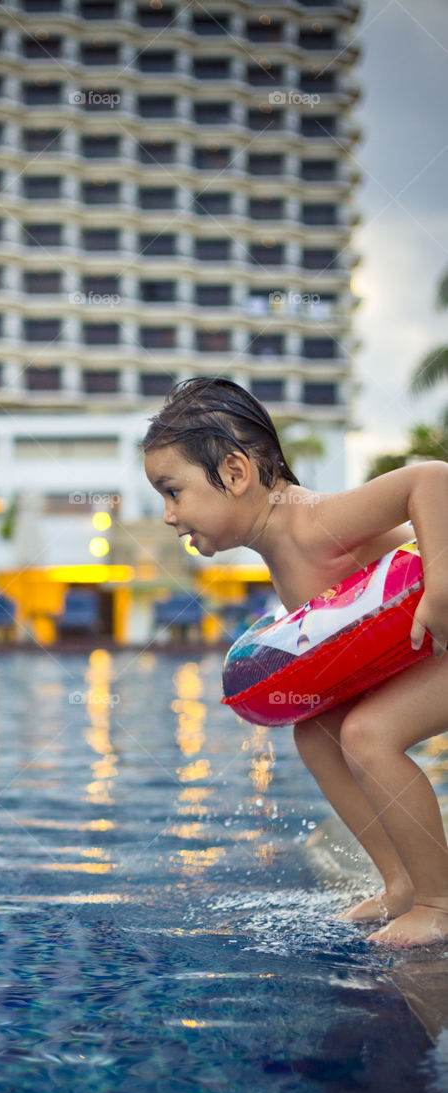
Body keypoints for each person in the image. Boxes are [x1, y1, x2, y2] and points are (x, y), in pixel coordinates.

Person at [141, 375, 448, 949]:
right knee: (318, 730)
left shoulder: (312, 523)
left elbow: (431, 479)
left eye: (172, 491)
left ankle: (439, 901)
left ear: (235, 474)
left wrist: (441, 588)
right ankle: (402, 881)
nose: (167, 514)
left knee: (368, 732)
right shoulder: (280, 550)